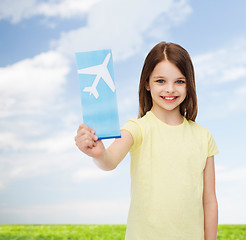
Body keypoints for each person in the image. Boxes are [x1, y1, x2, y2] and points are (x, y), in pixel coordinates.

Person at [75, 41, 219, 240]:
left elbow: (209, 201)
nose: (170, 89)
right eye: (161, 81)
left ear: (189, 84)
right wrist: (98, 153)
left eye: (179, 81)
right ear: (146, 83)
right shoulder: (137, 128)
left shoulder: (204, 136)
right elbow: (109, 161)